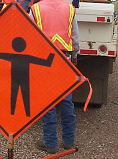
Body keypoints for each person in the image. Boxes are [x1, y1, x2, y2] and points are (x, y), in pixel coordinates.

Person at [29, 0, 80, 154]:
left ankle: (50, 142)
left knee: (47, 101)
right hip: (64, 59)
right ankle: (69, 141)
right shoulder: (69, 9)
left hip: (44, 60)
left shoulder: (36, 9)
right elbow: (75, 37)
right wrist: (75, 55)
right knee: (66, 100)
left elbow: (30, 36)